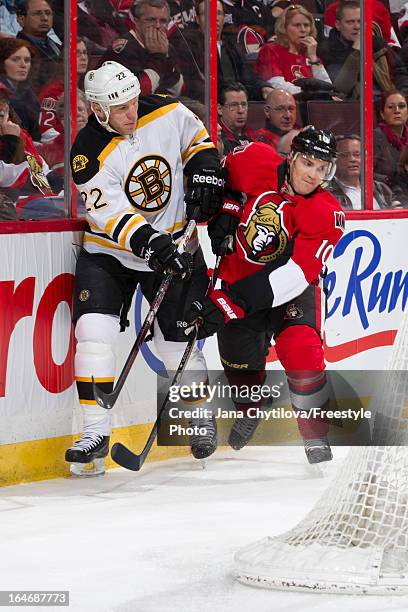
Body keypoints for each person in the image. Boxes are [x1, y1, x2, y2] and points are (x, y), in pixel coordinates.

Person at [66, 61, 224, 475]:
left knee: (176, 340)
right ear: (97, 109)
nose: (131, 113)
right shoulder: (87, 152)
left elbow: (198, 139)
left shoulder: (166, 109)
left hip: (175, 244)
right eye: (120, 109)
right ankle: (95, 431)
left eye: (133, 103)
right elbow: (110, 213)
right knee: (93, 334)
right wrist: (150, 242)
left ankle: (198, 414)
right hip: (111, 253)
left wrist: (206, 169)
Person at [185, 127, 346, 465]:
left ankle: (315, 433)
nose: (313, 174)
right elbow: (220, 173)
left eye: (322, 168)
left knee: (301, 349)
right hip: (238, 274)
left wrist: (230, 304)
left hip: (291, 292)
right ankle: (250, 407)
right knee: (240, 366)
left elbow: (295, 276)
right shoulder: (254, 158)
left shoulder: (326, 212)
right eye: (308, 163)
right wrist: (227, 208)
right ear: (292, 158)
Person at [174, 0, 270, 104]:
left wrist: (263, 88)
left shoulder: (232, 48)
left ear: (224, 18)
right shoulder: (188, 47)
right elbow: (193, 84)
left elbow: (249, 78)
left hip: (236, 105)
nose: (214, 18)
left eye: (218, 13)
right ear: (197, 19)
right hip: (206, 106)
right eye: (207, 13)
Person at [101, 0, 184, 97]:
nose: (157, 26)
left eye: (162, 21)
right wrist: (158, 57)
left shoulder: (166, 47)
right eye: (151, 20)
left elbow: (178, 89)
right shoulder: (124, 48)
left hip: (161, 102)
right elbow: (140, 92)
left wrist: (167, 58)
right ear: (136, 21)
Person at [255, 4, 331, 96]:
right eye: (297, 25)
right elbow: (276, 84)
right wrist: (312, 94)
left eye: (306, 25)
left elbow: (327, 87)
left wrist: (313, 59)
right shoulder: (270, 50)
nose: (303, 30)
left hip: (311, 103)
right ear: (284, 28)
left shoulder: (310, 54)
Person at [327, 134, 394, 209]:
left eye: (357, 155)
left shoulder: (381, 188)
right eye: (345, 155)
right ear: (333, 160)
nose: (352, 159)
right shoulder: (327, 193)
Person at [0, 37, 40, 141]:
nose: (23, 65)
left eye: (27, 60)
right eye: (15, 59)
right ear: (2, 62)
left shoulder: (30, 94)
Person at [16, 0, 62, 90]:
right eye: (37, 14)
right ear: (21, 19)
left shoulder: (57, 46)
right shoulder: (17, 50)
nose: (44, 18)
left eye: (48, 13)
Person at [374, 91, 408, 185]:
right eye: (391, 107)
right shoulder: (375, 137)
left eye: (401, 106)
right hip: (387, 194)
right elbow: (367, 174)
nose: (397, 110)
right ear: (382, 114)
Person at [218, 82, 257, 155]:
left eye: (244, 104)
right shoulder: (217, 139)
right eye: (233, 105)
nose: (240, 110)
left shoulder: (255, 136)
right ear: (220, 109)